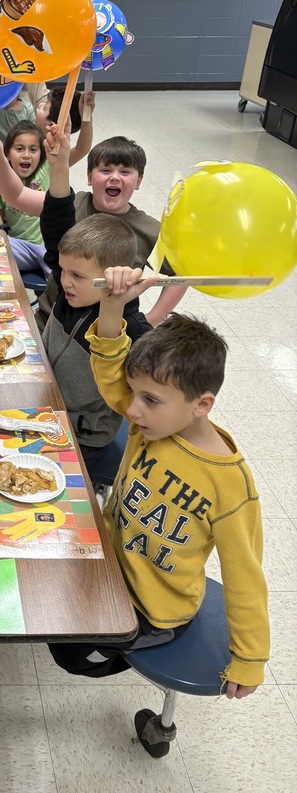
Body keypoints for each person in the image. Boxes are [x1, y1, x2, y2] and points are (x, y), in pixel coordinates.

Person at [49, 269, 269, 698]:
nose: (130, 409)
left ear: (201, 404)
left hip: (152, 608)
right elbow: (111, 367)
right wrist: (113, 305)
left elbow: (245, 576)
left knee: (68, 649)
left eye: (149, 399)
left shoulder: (229, 485)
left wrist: (250, 657)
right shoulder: (150, 423)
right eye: (133, 394)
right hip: (110, 564)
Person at [39, 126, 152, 484]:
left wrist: (120, 304)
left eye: (76, 275)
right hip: (47, 404)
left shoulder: (124, 326)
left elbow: (161, 358)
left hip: (82, 435)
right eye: (63, 271)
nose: (64, 281)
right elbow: (56, 224)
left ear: (108, 280)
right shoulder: (73, 293)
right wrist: (59, 168)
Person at [0, 130, 183, 328]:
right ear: (89, 176)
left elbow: (181, 273)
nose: (114, 177)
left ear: (138, 181)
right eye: (105, 170)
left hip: (100, 337)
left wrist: (153, 318)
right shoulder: (71, 205)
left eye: (125, 172)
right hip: (49, 318)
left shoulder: (149, 229)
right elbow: (17, 195)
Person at [0, 121, 49, 273]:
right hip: (19, 249)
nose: (26, 155)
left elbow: (81, 149)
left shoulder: (45, 171)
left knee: (65, 281)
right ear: (7, 155)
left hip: (47, 248)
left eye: (33, 149)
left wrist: (86, 118)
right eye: (19, 149)